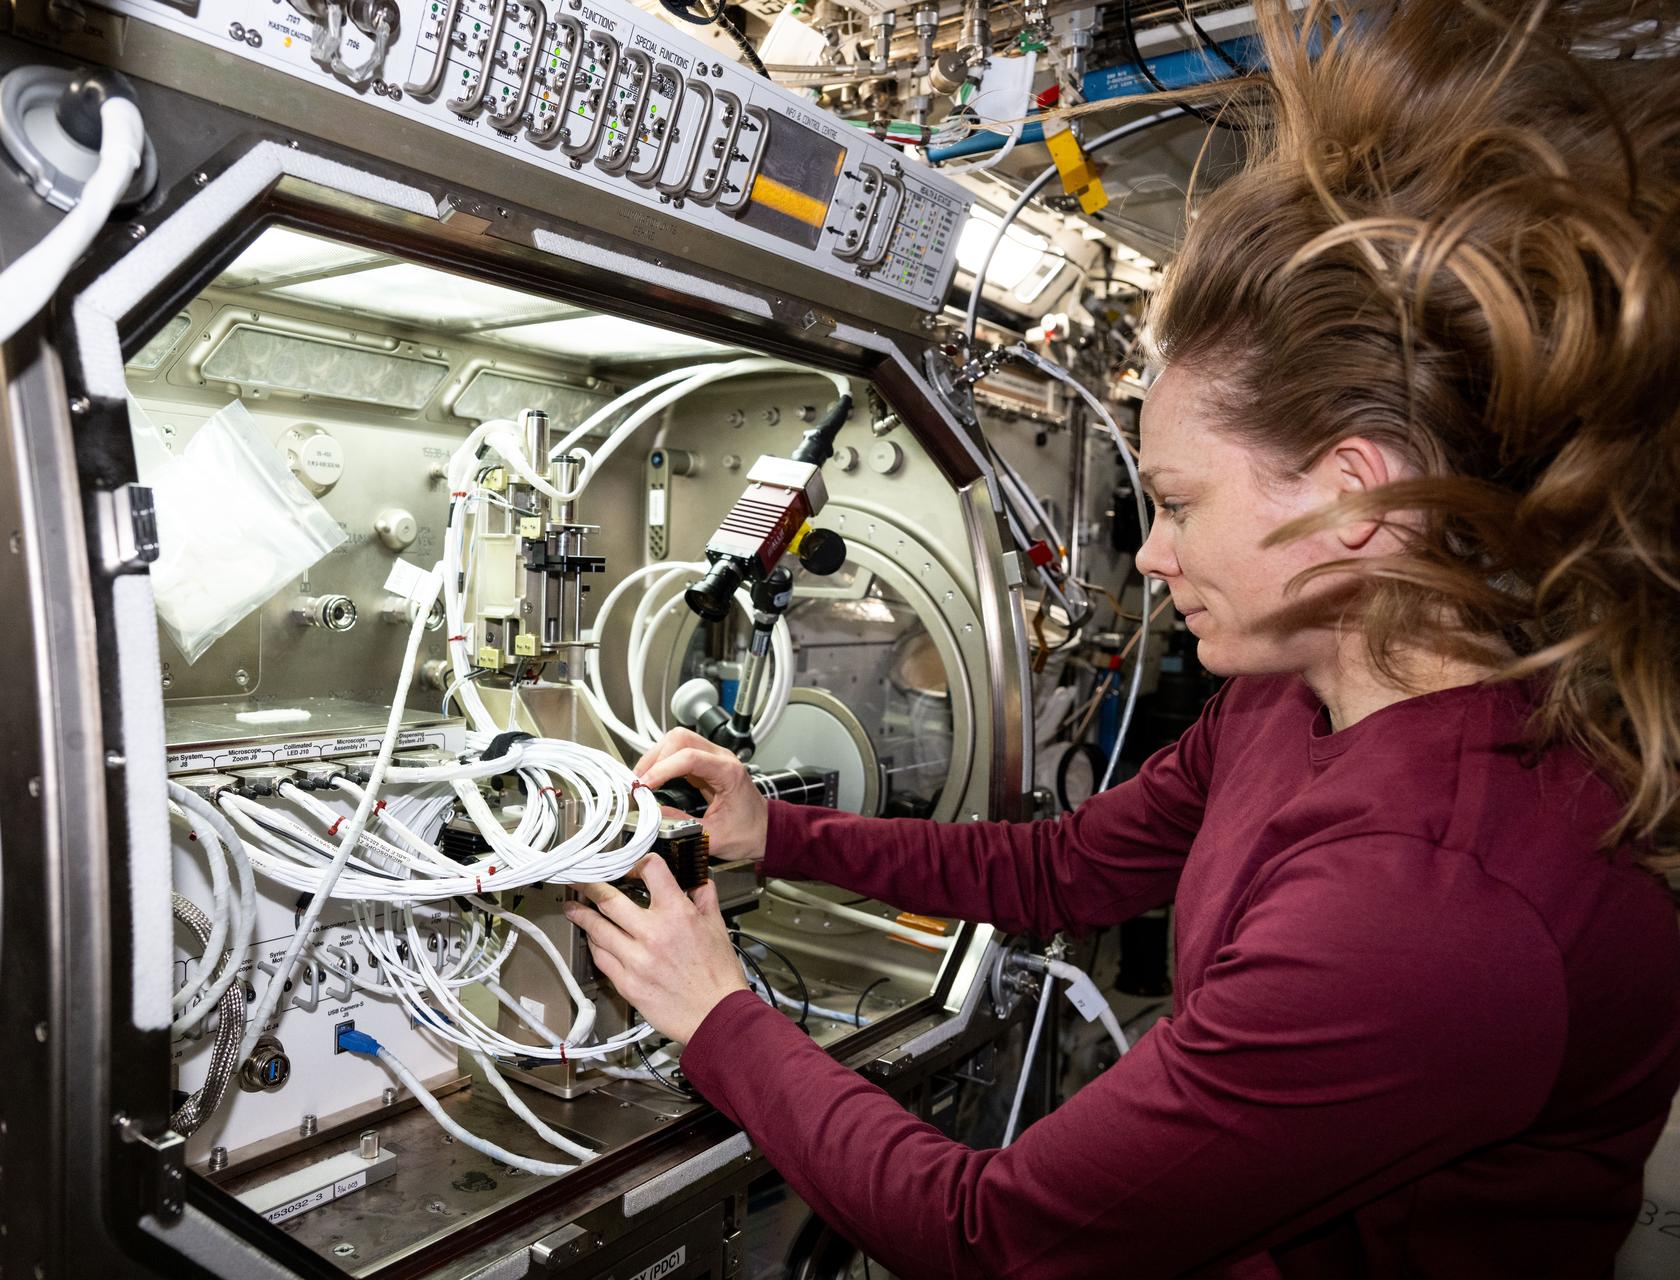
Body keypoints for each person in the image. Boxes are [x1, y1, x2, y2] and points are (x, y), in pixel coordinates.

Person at [561, 2, 1680, 1276]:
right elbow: (1063, 871)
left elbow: (997, 1236)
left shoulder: (1435, 907)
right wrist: (780, 832)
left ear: (1354, 501)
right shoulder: (1294, 696)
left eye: (1183, 503)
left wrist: (718, 1014)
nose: (1151, 552)